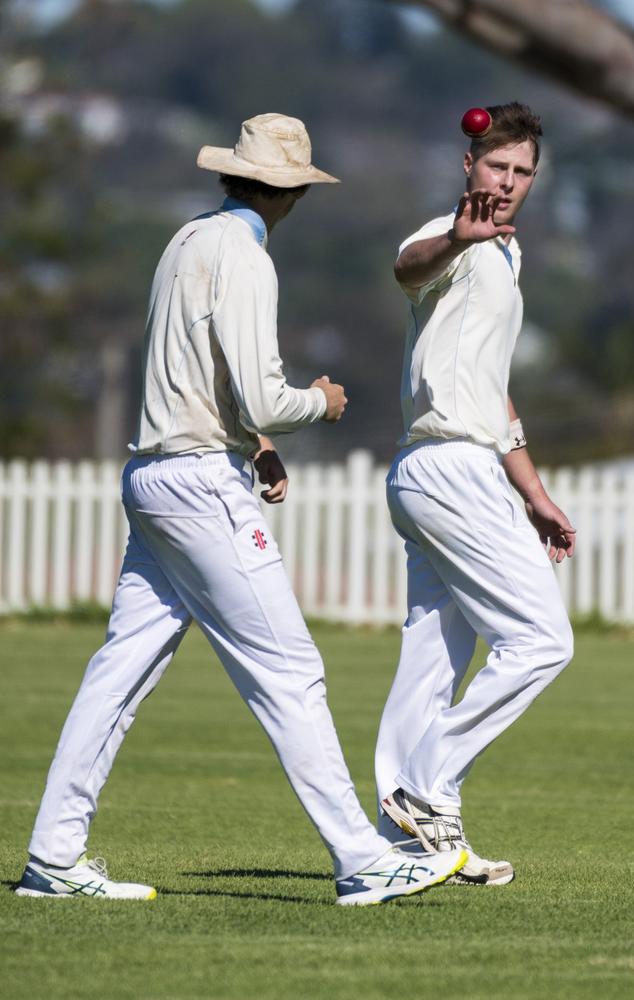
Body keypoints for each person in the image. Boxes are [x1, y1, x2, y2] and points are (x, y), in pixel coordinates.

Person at [16, 113, 465, 905]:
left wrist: (253, 440)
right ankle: (363, 859)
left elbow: (201, 380)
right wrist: (317, 403)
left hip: (153, 476)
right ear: (290, 190)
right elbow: (262, 390)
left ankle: (54, 855)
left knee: (117, 676)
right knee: (291, 671)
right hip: (198, 488)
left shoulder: (186, 241)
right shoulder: (248, 259)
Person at [375, 103, 576, 885]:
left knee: (432, 659)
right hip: (448, 468)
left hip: (451, 467)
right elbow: (407, 268)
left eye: (524, 172)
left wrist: (534, 492)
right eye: (499, 166)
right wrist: (459, 236)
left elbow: (497, 395)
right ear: (470, 165)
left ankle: (401, 845)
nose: (511, 182)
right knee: (542, 642)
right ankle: (425, 786)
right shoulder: (451, 235)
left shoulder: (507, 255)